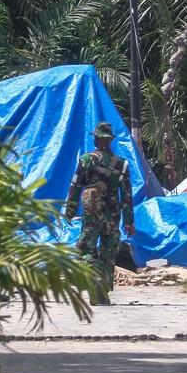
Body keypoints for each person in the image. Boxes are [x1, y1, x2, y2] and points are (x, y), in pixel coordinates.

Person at [65, 122, 135, 305]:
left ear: (96, 139)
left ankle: (93, 274)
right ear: (110, 140)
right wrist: (129, 222)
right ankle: (103, 289)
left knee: (84, 249)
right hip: (112, 214)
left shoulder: (86, 160)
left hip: (92, 213)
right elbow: (127, 195)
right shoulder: (122, 164)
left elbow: (75, 186)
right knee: (109, 251)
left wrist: (70, 210)